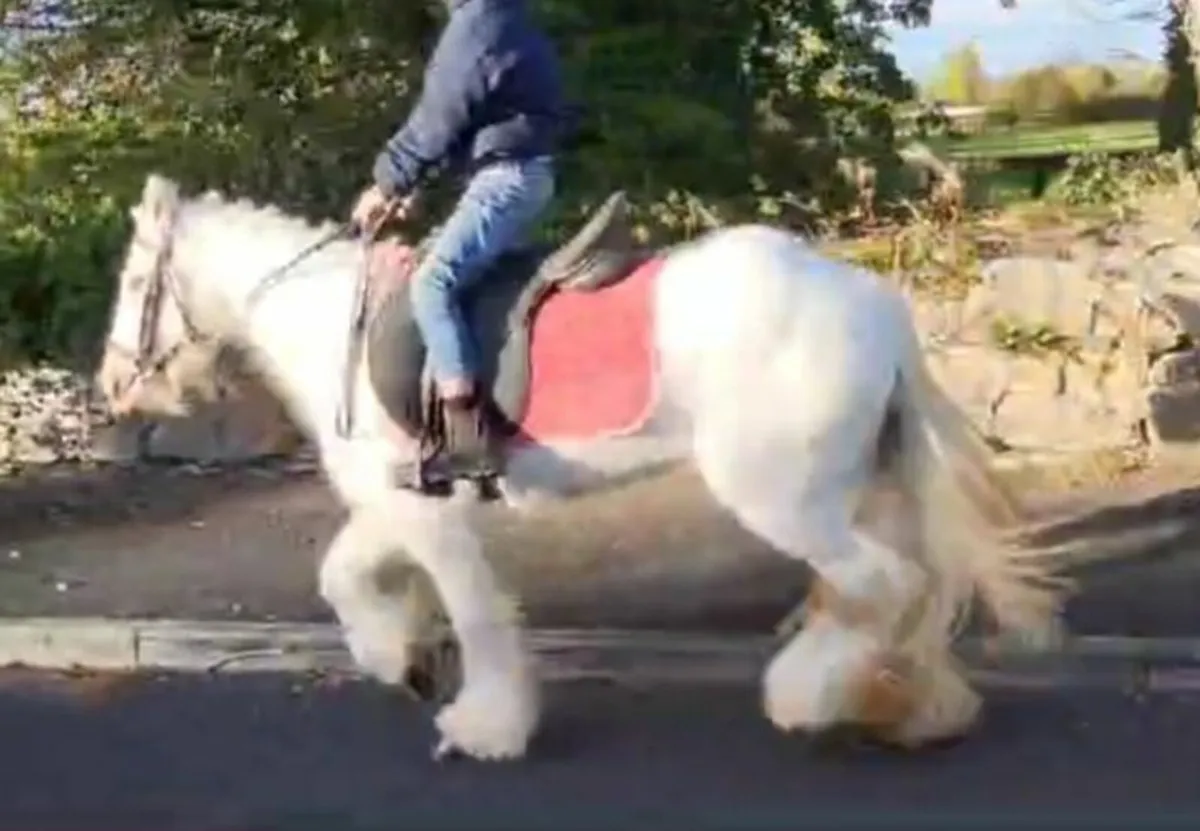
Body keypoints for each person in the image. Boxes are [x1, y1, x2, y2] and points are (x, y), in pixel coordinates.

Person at [351, 0, 568, 408]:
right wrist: (412, 189)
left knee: (432, 284)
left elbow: (440, 117)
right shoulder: (499, 16)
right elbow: (473, 120)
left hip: (506, 180)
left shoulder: (480, 20)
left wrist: (385, 184)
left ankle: (464, 415)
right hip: (513, 175)